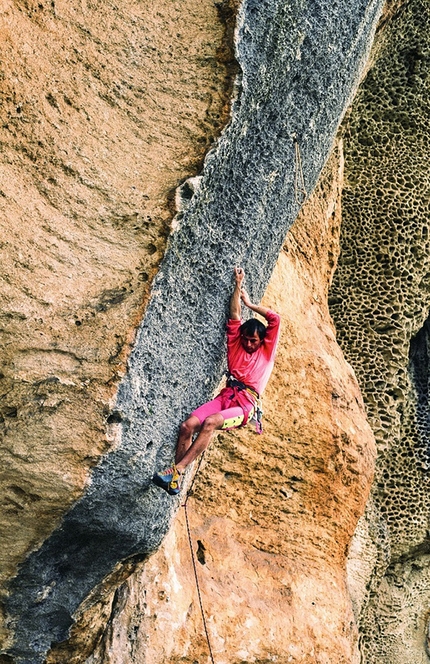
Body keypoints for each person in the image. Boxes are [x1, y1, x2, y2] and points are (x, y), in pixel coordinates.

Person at [153, 267, 281, 495]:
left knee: (210, 422)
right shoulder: (235, 343)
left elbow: (274, 319)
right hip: (226, 397)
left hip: (245, 407)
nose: (249, 344)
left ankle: (177, 471)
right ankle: (174, 482)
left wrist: (251, 304)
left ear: (262, 341)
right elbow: (234, 315)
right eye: (246, 340)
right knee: (187, 426)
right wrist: (237, 285)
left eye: (253, 341)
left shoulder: (266, 351)